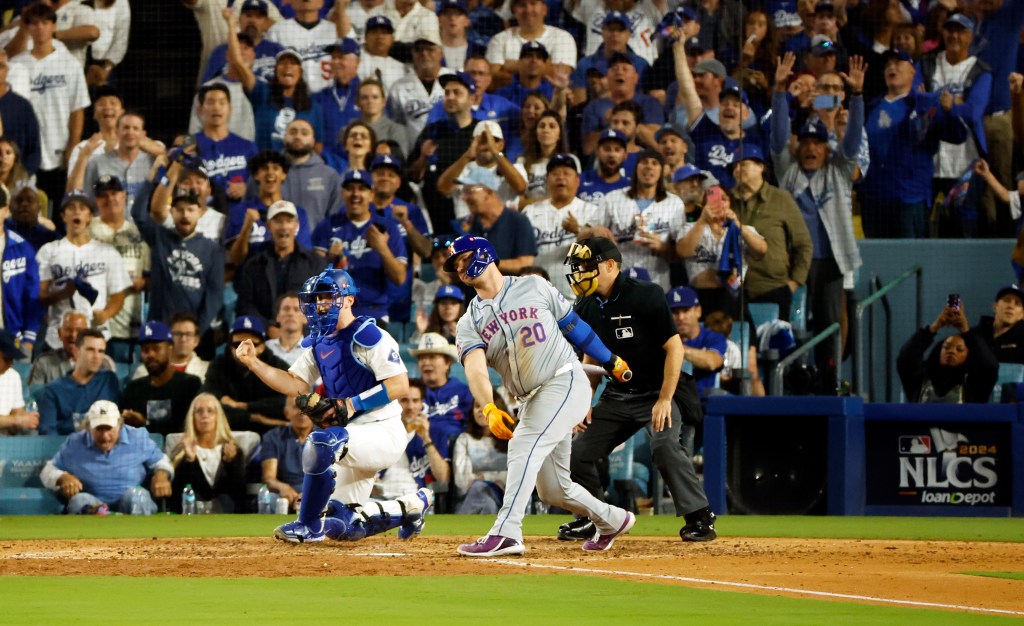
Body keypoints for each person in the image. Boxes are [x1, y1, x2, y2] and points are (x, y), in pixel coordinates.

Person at [445, 235, 635, 556]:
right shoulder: (469, 321)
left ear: (485, 253)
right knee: (553, 489)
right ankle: (612, 518)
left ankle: (507, 531)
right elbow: (475, 368)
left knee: (523, 444)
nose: (461, 268)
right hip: (531, 399)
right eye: (456, 265)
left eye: (464, 258)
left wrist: (609, 359)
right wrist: (488, 406)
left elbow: (574, 326)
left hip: (564, 380)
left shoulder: (533, 286)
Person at [234, 268, 433, 543]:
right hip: (351, 437)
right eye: (316, 299)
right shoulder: (318, 343)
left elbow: (399, 385)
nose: (320, 305)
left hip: (382, 431)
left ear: (349, 299)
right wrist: (253, 363)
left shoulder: (370, 335)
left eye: (327, 297)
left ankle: (307, 526)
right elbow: (295, 384)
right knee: (343, 526)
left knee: (320, 443)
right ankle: (412, 506)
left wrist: (351, 404)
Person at [560, 237, 716, 543]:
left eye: (586, 267)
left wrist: (664, 399)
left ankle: (700, 517)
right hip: (618, 395)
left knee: (665, 446)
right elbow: (591, 358)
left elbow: (675, 349)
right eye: (577, 268)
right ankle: (593, 518)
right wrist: (583, 403)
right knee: (577, 452)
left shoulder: (646, 294)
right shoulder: (586, 305)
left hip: (659, 390)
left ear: (610, 266)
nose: (579, 274)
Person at [772, 53, 866, 362]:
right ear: (799, 147)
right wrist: (779, 90)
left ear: (827, 148)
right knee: (791, 323)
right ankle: (793, 376)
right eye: (806, 143)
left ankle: (830, 378)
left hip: (830, 261)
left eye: (818, 143)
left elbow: (852, 141)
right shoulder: (788, 169)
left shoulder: (838, 170)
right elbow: (778, 137)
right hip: (794, 262)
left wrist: (857, 96)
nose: (811, 147)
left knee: (831, 324)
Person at [10, 3, 90, 206]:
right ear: (28, 28)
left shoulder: (69, 63)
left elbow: (77, 109)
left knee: (61, 206)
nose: (40, 28)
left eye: (45, 22)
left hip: (59, 149)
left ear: (53, 26)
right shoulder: (17, 65)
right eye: (34, 23)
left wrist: (73, 145)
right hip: (26, 153)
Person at [40, 399, 172, 514]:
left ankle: (142, 541)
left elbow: (162, 461)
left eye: (109, 428)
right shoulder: (74, 443)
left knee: (138, 496)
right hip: (94, 505)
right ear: (88, 426)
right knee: (79, 500)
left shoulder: (138, 437)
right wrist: (62, 477)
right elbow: (47, 471)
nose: (104, 436)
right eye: (99, 429)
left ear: (120, 424)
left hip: (131, 501)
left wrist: (161, 475)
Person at [36, 190, 131, 350]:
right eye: (71, 207)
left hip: (96, 336)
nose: (77, 211)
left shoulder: (107, 252)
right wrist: (64, 293)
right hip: (58, 339)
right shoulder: (48, 251)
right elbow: (40, 295)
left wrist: (106, 314)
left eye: (82, 207)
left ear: (89, 216)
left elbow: (118, 297)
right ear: (63, 216)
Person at [310, 169, 407, 322]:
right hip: (334, 313)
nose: (355, 194)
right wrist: (330, 259)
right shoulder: (327, 226)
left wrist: (382, 248)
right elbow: (313, 279)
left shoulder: (387, 227)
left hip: (374, 313)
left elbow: (400, 278)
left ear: (372, 195)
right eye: (350, 189)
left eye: (362, 188)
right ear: (342, 193)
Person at [730, 143, 813, 321]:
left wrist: (795, 282)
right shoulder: (727, 202)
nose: (738, 169)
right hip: (736, 290)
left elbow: (803, 244)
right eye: (735, 166)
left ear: (761, 167)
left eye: (743, 164)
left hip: (773, 287)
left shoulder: (781, 199)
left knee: (777, 345)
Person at [131, 186, 225, 341]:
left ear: (200, 213)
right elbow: (138, 213)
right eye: (179, 210)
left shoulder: (212, 249)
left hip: (194, 334)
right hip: (160, 330)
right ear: (171, 212)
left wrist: (196, 332)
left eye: (190, 210)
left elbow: (214, 296)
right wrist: (153, 179)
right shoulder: (159, 237)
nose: (185, 215)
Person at [676, 184, 768, 319]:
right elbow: (683, 251)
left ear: (730, 202)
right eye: (714, 200)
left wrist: (737, 224)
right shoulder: (691, 228)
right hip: (701, 298)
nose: (719, 203)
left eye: (724, 199)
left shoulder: (743, 229)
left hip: (733, 297)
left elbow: (761, 251)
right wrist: (702, 220)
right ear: (704, 205)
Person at [521, 153, 604, 299]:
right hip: (536, 296)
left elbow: (601, 251)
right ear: (547, 180)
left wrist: (579, 230)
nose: (561, 177)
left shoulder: (591, 211)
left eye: (566, 173)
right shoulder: (530, 211)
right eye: (555, 173)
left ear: (578, 181)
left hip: (578, 298)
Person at [599, 150, 683, 292]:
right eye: (644, 162)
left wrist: (664, 248)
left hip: (658, 283)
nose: (649, 166)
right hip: (618, 282)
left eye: (655, 163)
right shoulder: (612, 198)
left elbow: (681, 254)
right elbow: (588, 236)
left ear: (662, 171)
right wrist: (597, 234)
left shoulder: (675, 203)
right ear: (636, 168)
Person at [234, 200, 327, 323]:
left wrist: (301, 328)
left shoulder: (315, 264)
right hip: (264, 337)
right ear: (268, 226)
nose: (284, 227)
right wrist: (267, 328)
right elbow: (246, 305)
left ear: (296, 225)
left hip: (304, 337)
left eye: (289, 221)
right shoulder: (254, 265)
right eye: (278, 221)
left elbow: (324, 304)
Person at [88, 175, 149, 355]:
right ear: (96, 200)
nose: (110, 199)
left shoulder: (138, 232)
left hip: (131, 324)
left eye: (115, 193)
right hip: (97, 325)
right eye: (103, 195)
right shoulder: (86, 230)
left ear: (124, 196)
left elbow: (150, 277)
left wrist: (143, 283)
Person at [225, 152, 314, 268]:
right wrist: (247, 227)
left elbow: (303, 257)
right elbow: (236, 259)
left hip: (289, 280)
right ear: (256, 175)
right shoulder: (241, 212)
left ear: (284, 174)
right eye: (264, 168)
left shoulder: (298, 214)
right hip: (251, 280)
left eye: (276, 168)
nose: (270, 172)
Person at [897, 302, 999, 404]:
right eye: (946, 347)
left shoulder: (976, 385)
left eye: (959, 349)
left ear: (968, 356)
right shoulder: (920, 378)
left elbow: (990, 367)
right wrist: (933, 328)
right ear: (938, 352)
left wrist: (966, 331)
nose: (951, 351)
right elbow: (905, 358)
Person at [202, 315, 289, 434]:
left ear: (262, 347)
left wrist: (246, 406)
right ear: (230, 345)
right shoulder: (219, 364)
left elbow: (285, 404)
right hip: (227, 432)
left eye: (251, 345)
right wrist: (253, 417)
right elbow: (206, 398)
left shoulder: (277, 366)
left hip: (270, 434)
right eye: (237, 345)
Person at [121, 321, 203, 436]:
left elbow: (186, 427)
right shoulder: (133, 388)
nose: (151, 355)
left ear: (170, 348)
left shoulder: (190, 384)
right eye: (145, 350)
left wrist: (145, 423)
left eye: (156, 348)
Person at [169, 393, 248, 513]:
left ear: (218, 416)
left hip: (226, 516)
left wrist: (230, 463)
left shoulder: (233, 450)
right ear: (192, 417)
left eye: (210, 411)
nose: (205, 415)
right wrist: (190, 461)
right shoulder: (181, 450)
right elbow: (178, 493)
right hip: (193, 515)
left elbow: (239, 494)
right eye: (199, 411)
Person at [38, 329, 122, 435]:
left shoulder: (109, 380)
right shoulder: (54, 390)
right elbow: (47, 432)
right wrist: (80, 425)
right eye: (90, 350)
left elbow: (117, 420)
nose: (96, 356)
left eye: (101, 351)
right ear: (76, 351)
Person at [581, 53, 664, 156]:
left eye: (625, 69)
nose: (619, 72)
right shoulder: (594, 106)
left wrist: (626, 121)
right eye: (614, 69)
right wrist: (613, 126)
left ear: (636, 78)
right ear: (608, 77)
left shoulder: (650, 103)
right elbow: (588, 148)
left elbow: (656, 142)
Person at [458, 170, 537, 274]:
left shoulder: (518, 221)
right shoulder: (468, 224)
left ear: (489, 191)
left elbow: (525, 264)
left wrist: (486, 263)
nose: (464, 197)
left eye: (469, 191)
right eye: (464, 192)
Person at [485, 0, 576, 89]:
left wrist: (508, 65)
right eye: (522, 5)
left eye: (533, 3)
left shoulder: (563, 37)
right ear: (513, 11)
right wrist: (545, 67)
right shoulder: (499, 39)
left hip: (550, 99)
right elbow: (492, 78)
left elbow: (561, 75)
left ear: (544, 9)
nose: (528, 10)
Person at [193, 83, 258, 202]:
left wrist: (247, 188)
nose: (216, 107)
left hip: (241, 217)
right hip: (204, 216)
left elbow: (261, 183)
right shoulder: (190, 145)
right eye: (210, 102)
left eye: (222, 102)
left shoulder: (247, 146)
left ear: (230, 109)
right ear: (200, 110)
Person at [80, 112, 160, 209]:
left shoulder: (153, 162)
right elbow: (87, 200)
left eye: (135, 128)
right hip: (106, 223)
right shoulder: (96, 163)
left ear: (143, 134)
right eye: (126, 128)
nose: (130, 132)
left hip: (144, 223)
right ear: (117, 131)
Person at [262, 0, 341, 94]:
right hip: (292, 98)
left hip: (329, 97)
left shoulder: (335, 30)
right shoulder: (277, 30)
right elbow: (268, 69)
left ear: (322, 2)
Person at [387, 34, 447, 157]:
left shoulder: (455, 81)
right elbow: (395, 125)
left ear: (441, 53)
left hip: (449, 153)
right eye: (419, 50)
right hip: (413, 156)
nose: (424, 54)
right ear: (413, 54)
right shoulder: (399, 88)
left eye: (430, 49)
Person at [280, 119, 343, 230]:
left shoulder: (329, 176)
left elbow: (336, 218)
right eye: (293, 132)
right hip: (275, 245)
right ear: (285, 137)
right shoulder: (269, 173)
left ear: (313, 141)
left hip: (316, 245)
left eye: (304, 133)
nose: (298, 137)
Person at [452, 396, 509, 514]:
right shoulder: (464, 440)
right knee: (484, 497)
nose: (481, 410)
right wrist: (496, 478)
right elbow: (462, 481)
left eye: (486, 406)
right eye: (477, 406)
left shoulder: (510, 439)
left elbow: (515, 476)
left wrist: (484, 477)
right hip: (470, 497)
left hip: (505, 498)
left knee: (480, 487)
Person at [667, 286, 726, 397]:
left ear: (698, 311)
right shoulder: (662, 337)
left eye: (685, 310)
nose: (680, 317)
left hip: (703, 400)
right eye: (675, 312)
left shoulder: (713, 337)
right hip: (670, 400)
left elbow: (712, 362)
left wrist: (677, 349)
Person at [28, 312, 115, 386]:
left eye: (79, 330)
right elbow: (35, 397)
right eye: (68, 330)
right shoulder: (44, 362)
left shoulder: (104, 363)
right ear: (59, 333)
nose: (73, 335)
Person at [0, 212, 42, 352]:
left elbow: (32, 296)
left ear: (6, 210)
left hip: (12, 338)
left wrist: (29, 337)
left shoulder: (22, 248)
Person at [260, 395, 311, 511]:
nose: (302, 412)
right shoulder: (273, 437)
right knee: (273, 500)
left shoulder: (326, 438)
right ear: (286, 413)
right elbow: (268, 478)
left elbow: (334, 477)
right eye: (296, 407)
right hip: (286, 495)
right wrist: (283, 487)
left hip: (318, 493)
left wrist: (311, 494)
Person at [314, 38, 362, 156]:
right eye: (333, 58)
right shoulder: (318, 97)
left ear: (357, 61)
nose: (335, 62)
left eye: (341, 57)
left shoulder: (369, 95)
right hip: (327, 165)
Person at [132, 312, 210, 383]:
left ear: (196, 341)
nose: (183, 339)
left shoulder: (208, 370)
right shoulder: (144, 371)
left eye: (188, 334)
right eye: (178, 334)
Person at [0, 51, 41, 177]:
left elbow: (34, 151)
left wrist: (19, 178)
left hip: (17, 182)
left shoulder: (22, 107)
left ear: (7, 70)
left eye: (0, 66)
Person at [971, 285, 1024, 364]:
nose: (1011, 306)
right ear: (995, 306)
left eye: (1018, 304)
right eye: (1007, 300)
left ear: (1022, 314)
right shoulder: (974, 335)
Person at [577, 128, 630, 205]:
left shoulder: (629, 187)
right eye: (607, 149)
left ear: (625, 155)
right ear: (597, 151)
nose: (611, 154)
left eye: (617, 150)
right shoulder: (579, 180)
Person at [358, 16, 409, 94]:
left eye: (384, 33)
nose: (379, 37)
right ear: (365, 37)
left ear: (392, 38)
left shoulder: (401, 68)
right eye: (374, 32)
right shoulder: (355, 59)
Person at [0, 330, 38, 435]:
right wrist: (17, 420)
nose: (11, 363)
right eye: (7, 358)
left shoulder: (13, 376)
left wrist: (27, 420)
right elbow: (17, 419)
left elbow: (18, 413)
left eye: (12, 359)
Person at [4, 184, 58, 252]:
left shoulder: (51, 238)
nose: (24, 204)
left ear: (39, 208)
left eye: (30, 200)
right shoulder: (2, 230)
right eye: (19, 200)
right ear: (10, 207)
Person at [266, 293, 308, 366]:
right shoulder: (266, 348)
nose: (290, 313)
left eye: (296, 309)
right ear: (277, 316)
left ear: (306, 318)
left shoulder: (313, 352)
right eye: (286, 309)